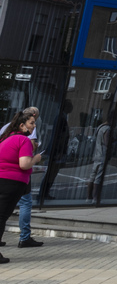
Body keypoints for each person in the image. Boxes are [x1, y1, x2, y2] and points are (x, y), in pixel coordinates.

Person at [0, 111, 40, 261]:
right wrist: (36, 158)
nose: (34, 126)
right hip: (11, 182)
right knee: (2, 216)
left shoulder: (6, 138)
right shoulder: (23, 140)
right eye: (31, 123)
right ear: (22, 125)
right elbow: (24, 164)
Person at [35, 98, 70, 207]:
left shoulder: (62, 117)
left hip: (57, 151)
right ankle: (43, 193)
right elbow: (59, 136)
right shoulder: (60, 118)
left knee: (52, 173)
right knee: (51, 172)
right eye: (69, 105)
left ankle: (45, 193)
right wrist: (58, 151)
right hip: (56, 151)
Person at [86, 113, 111, 205]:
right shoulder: (107, 129)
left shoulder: (100, 127)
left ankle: (88, 197)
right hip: (102, 155)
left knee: (92, 176)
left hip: (96, 153)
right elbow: (106, 142)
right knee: (98, 177)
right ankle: (95, 198)